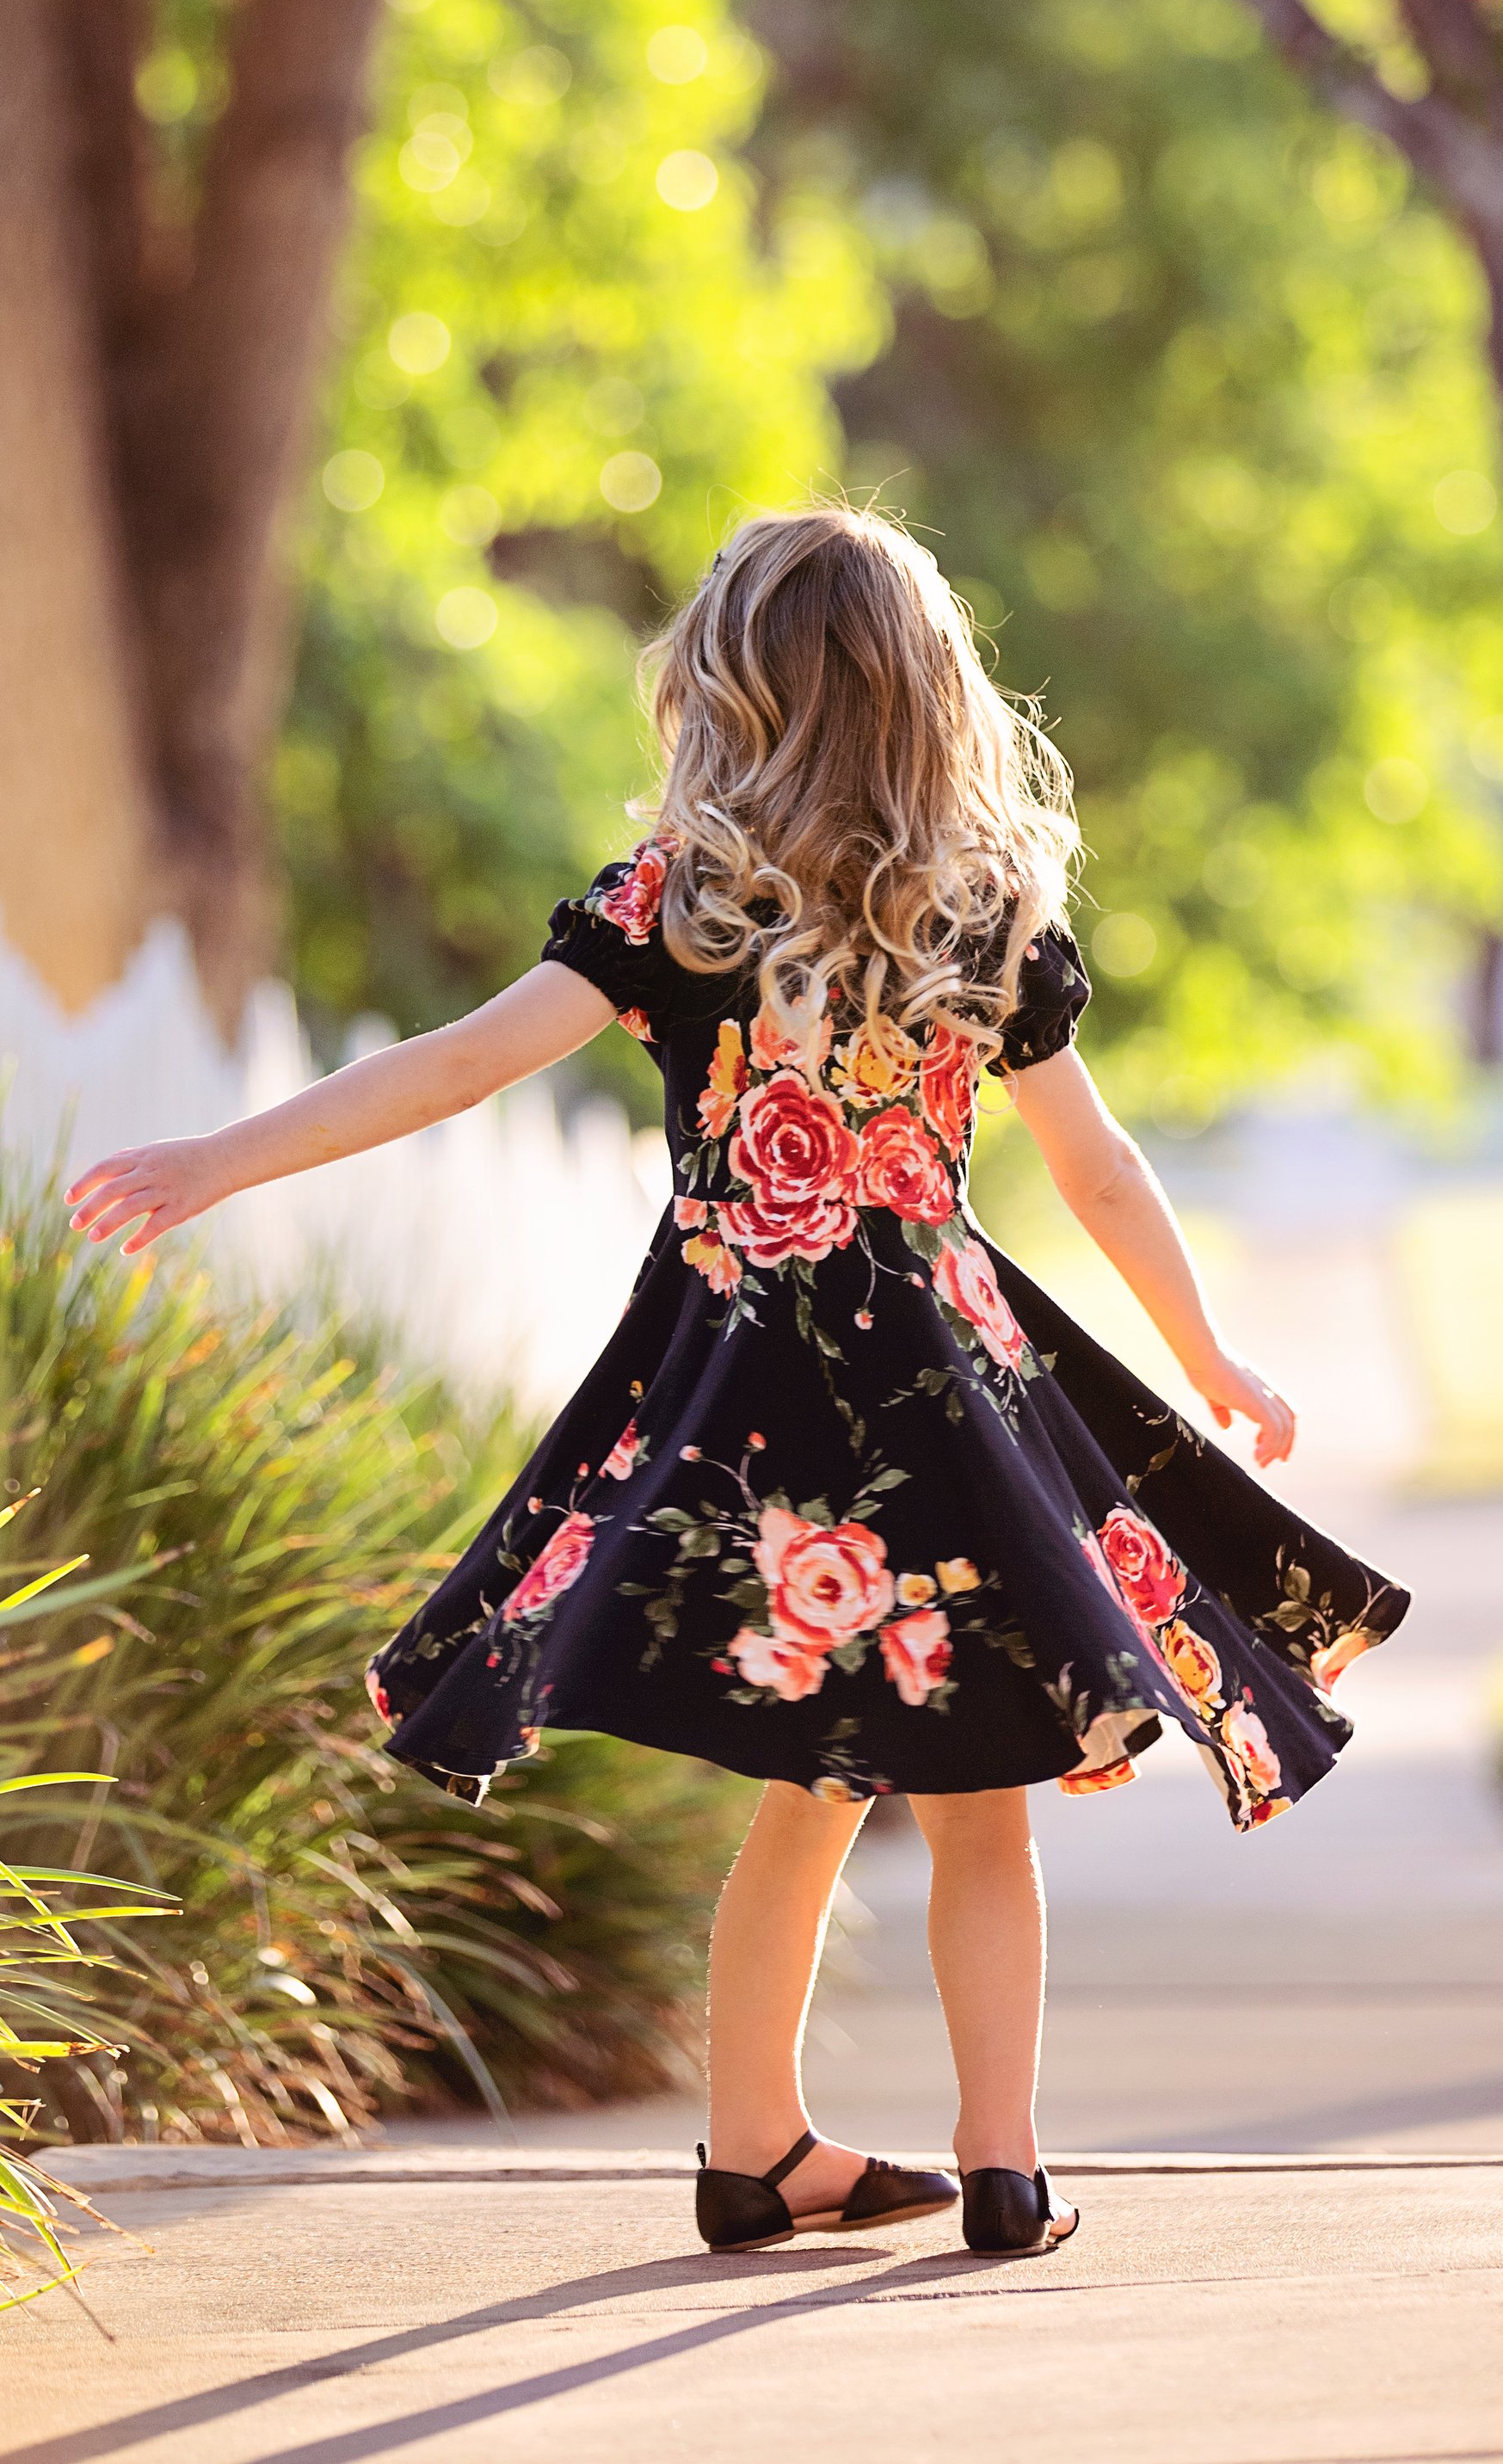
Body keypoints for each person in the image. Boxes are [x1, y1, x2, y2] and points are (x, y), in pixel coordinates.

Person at [68, 503, 1408, 2260]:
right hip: (951, 1397)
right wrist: (1202, 1347)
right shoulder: (977, 911)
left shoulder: (679, 904)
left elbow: (455, 1067)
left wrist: (218, 1161)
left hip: (751, 1399)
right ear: (933, 693)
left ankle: (755, 2148)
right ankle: (1001, 2165)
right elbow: (1098, 1171)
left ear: (728, 691)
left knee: (814, 1790)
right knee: (978, 1803)